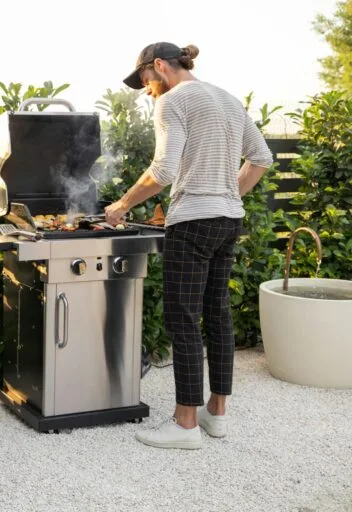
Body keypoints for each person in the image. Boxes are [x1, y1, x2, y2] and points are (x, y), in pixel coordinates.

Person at [104, 42, 273, 449]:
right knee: (217, 315)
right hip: (229, 220)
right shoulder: (228, 99)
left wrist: (122, 205)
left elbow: (163, 170)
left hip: (193, 223)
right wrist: (226, 194)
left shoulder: (173, 101)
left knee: (183, 319)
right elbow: (262, 157)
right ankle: (216, 414)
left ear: (159, 66)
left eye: (145, 80)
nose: (146, 90)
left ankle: (184, 425)